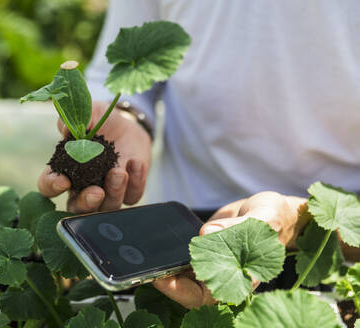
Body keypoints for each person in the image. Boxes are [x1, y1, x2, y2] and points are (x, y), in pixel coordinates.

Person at [37, 0, 360, 308]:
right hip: (182, 225)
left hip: (336, 242)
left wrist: (301, 220)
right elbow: (122, 72)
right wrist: (128, 117)